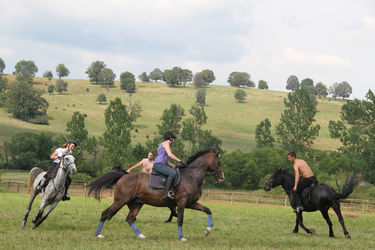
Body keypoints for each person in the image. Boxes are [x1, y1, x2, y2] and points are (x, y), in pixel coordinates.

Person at [153, 131, 186, 200]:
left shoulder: (163, 144)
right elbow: (170, 154)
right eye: (173, 138)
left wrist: (174, 165)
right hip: (159, 164)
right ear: (170, 138)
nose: (174, 139)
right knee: (173, 173)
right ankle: (166, 193)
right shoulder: (166, 143)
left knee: (174, 171)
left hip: (160, 164)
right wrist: (180, 161)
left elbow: (166, 161)